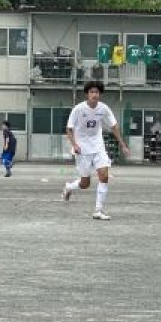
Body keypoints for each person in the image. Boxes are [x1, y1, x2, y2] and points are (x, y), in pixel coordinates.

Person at [62, 80, 132, 220]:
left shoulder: (103, 108)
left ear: (100, 94)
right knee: (85, 183)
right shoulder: (79, 109)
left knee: (104, 176)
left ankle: (98, 210)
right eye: (92, 92)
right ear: (87, 94)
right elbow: (69, 129)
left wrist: (123, 145)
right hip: (82, 148)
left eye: (97, 92)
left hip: (98, 146)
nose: (94, 95)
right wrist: (74, 144)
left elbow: (114, 126)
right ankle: (69, 187)